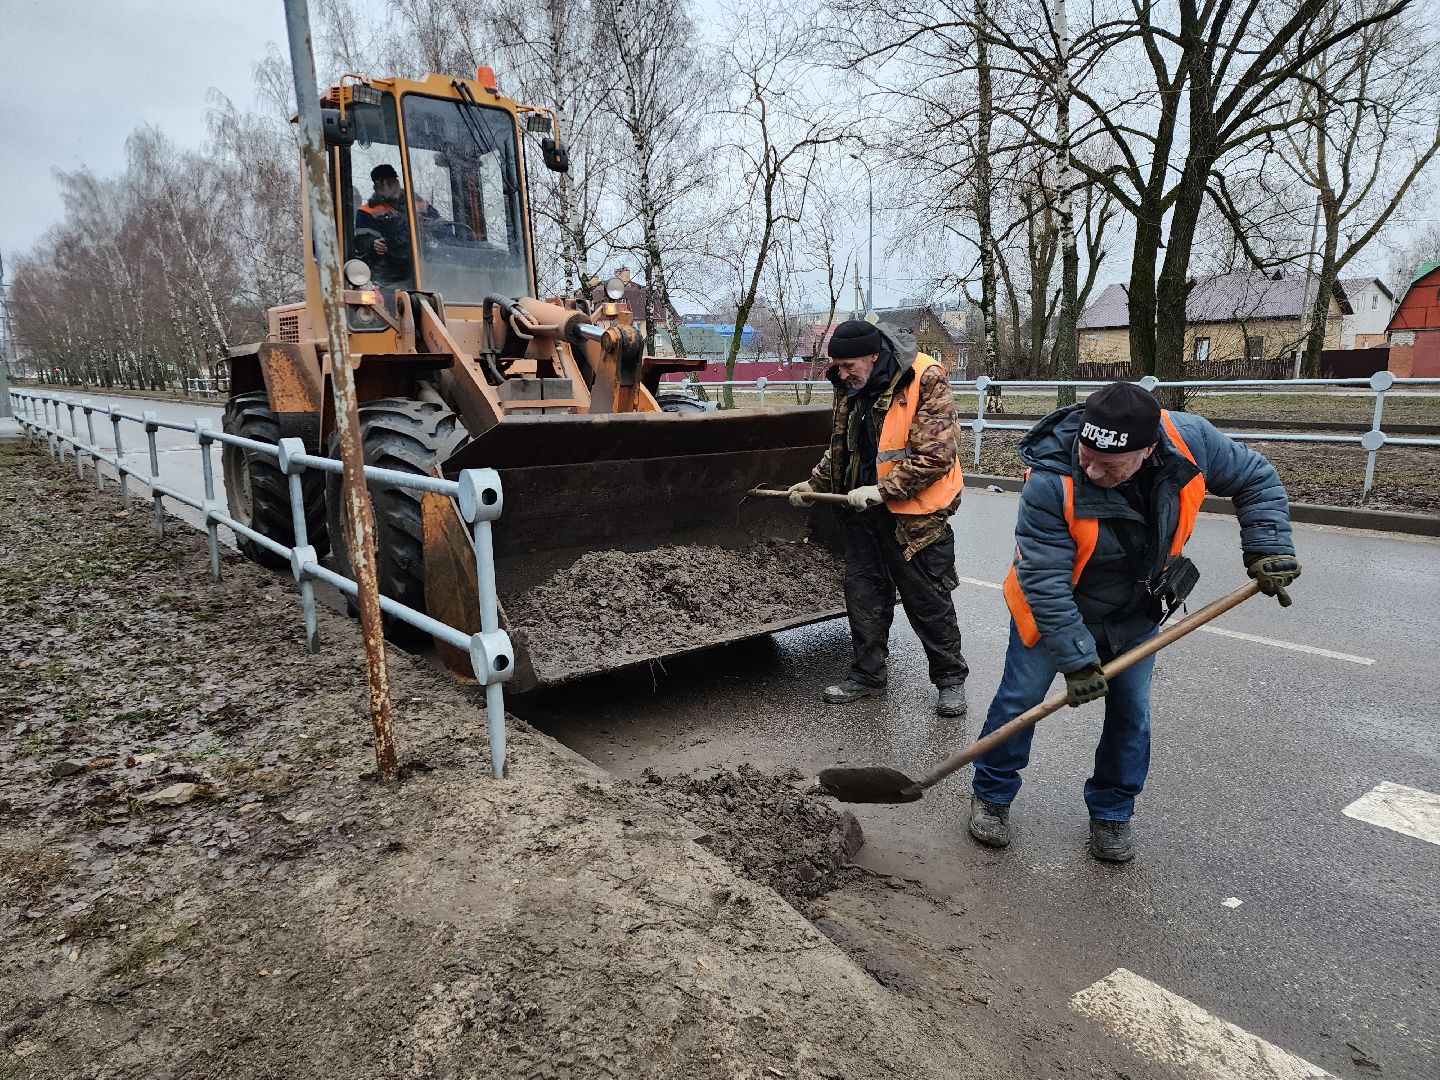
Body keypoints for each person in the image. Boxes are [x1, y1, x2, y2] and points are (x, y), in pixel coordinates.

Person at [968, 381, 1300, 862]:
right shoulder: (1051, 477)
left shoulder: (1190, 441)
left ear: (1148, 450)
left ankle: (1112, 813)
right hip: (1055, 606)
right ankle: (992, 796)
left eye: (1108, 465)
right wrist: (1078, 660)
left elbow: (1257, 478)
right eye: (1086, 454)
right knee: (1020, 701)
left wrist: (1269, 546)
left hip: (1135, 610)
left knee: (1131, 714)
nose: (1090, 467)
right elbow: (1044, 579)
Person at [787, 319, 969, 718]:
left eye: (850, 365)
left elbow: (936, 455)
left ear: (874, 355)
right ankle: (868, 675)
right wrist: (813, 484)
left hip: (916, 516)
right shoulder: (848, 383)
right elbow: (843, 447)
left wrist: (882, 490)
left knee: (928, 600)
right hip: (862, 512)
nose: (843, 373)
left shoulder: (925, 378)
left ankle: (949, 680)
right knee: (864, 596)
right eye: (837, 365)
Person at [353, 163, 437, 285]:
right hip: (387, 273)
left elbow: (441, 226)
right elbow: (362, 239)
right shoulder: (367, 211)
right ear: (377, 186)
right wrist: (372, 244)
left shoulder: (417, 203)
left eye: (393, 181)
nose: (392, 185)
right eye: (386, 182)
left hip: (422, 267)